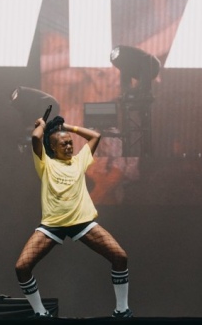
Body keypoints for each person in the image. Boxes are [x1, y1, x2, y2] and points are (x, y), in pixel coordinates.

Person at [14, 115, 131, 318]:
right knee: (22, 267)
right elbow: (35, 139)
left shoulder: (80, 161)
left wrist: (66, 126)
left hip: (82, 223)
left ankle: (122, 310)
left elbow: (95, 136)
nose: (69, 147)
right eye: (63, 144)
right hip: (52, 226)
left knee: (120, 257)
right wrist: (42, 125)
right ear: (53, 148)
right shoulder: (45, 164)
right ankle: (40, 313)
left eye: (70, 143)